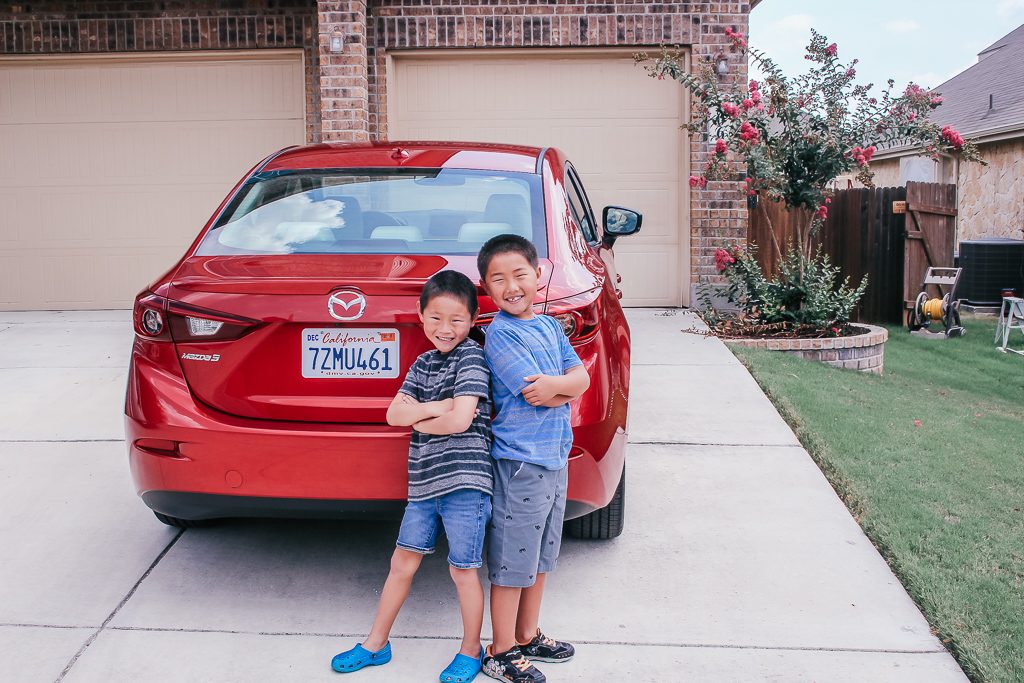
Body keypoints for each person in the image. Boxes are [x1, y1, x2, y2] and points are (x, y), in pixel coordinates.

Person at [331, 270, 494, 683]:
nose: (445, 328)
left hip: (465, 482)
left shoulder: (471, 357)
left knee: (463, 569)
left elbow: (460, 423)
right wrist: (439, 408)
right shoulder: (422, 364)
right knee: (401, 562)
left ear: (473, 319)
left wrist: (422, 416)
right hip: (423, 485)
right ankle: (376, 644)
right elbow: (393, 416)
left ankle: (471, 651)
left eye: (456, 319)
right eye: (436, 318)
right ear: (421, 317)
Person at [476, 235, 591, 683]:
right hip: (521, 463)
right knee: (512, 559)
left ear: (538, 273)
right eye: (498, 279)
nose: (512, 286)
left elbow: (578, 377)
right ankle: (500, 649)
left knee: (542, 555)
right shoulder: (500, 335)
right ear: (486, 287)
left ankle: (527, 635)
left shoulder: (547, 326)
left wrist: (561, 384)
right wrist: (562, 385)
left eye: (519, 274)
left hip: (553, 458)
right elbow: (535, 393)